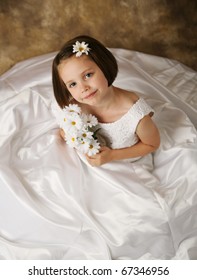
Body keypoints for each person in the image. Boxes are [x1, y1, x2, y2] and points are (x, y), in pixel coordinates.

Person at [52, 35, 160, 167]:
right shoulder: (73, 108)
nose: (83, 88)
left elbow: (152, 144)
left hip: (124, 164)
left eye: (88, 75)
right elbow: (66, 131)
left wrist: (112, 155)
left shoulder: (136, 115)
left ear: (104, 66)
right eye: (73, 84)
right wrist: (72, 137)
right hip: (84, 163)